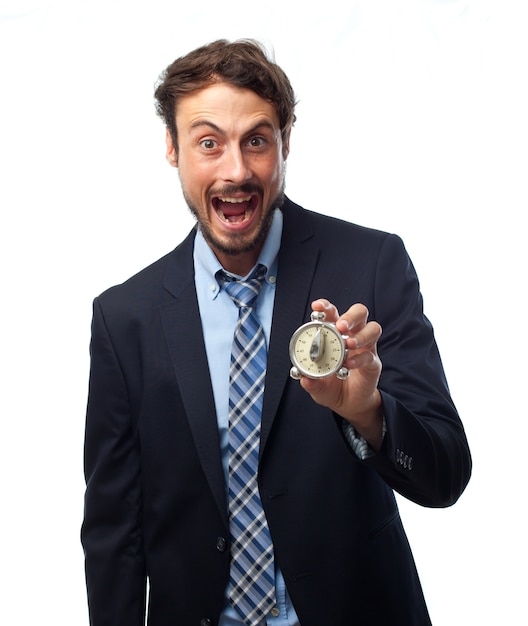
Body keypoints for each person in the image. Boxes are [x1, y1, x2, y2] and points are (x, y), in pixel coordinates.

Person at [81, 39, 472, 626]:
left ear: (286, 142)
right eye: (208, 142)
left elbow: (445, 476)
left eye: (256, 141)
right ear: (172, 148)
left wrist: (369, 413)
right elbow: (114, 533)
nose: (235, 171)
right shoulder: (125, 317)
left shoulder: (371, 265)